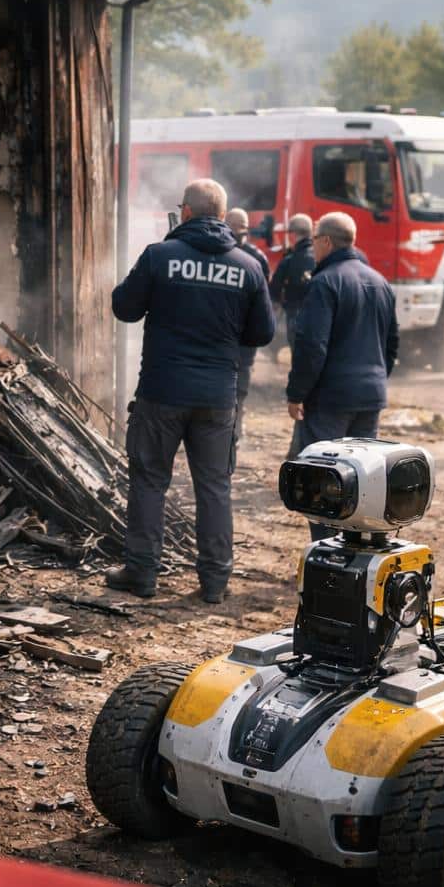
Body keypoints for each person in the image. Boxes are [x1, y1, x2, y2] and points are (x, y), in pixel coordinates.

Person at [108, 180, 275, 603]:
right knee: (214, 487)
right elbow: (262, 333)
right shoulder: (248, 266)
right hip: (218, 397)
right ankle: (215, 583)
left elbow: (124, 308)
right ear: (223, 217)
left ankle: (142, 574)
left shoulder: (160, 256)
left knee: (149, 482)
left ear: (185, 213)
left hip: (162, 392)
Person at [286, 212, 400, 536]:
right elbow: (392, 343)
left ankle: (327, 557)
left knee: (322, 481)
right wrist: (376, 380)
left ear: (325, 242)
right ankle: (355, 550)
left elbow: (311, 346)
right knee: (362, 478)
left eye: (313, 242)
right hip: (370, 396)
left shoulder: (325, 282)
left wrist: (297, 394)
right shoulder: (379, 281)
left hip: (330, 399)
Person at [226, 207, 270, 439]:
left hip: (237, 344)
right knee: (234, 392)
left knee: (237, 392)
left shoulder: (256, 259)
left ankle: (234, 432)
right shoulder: (256, 259)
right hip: (237, 343)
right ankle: (232, 433)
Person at [268, 213, 316, 364]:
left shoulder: (290, 259)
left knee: (298, 357)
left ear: (293, 234)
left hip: (295, 314)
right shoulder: (322, 255)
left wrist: (277, 302)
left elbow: (274, 288)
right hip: (320, 314)